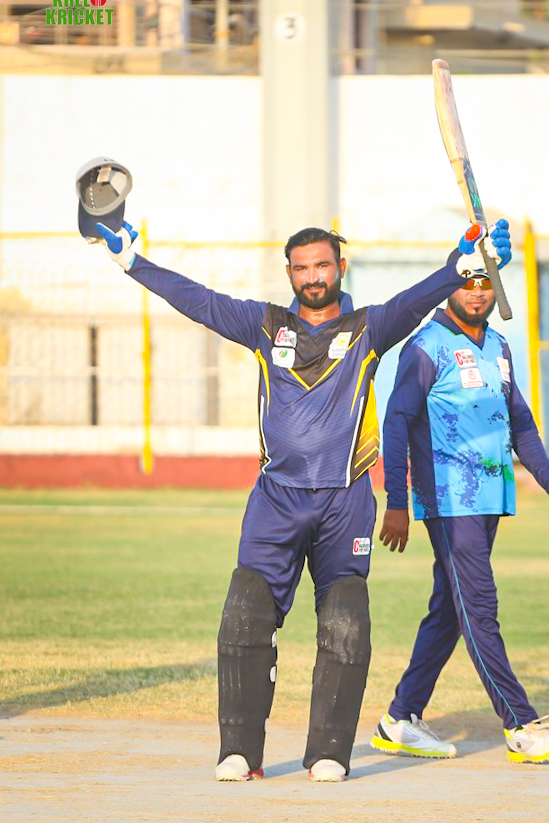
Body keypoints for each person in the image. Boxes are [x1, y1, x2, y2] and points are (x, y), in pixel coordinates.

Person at [95, 217, 513, 782]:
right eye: (301, 268)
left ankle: (328, 754)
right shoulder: (265, 325)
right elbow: (198, 301)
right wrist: (133, 263)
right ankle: (239, 753)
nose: (313, 277)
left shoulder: (370, 328)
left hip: (346, 500)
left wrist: (459, 267)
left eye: (322, 265)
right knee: (245, 613)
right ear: (289, 273)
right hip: (277, 499)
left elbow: (415, 300)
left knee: (345, 619)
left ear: (341, 268)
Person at [371, 247, 549, 765]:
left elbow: (519, 421)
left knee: (449, 609)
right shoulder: (426, 346)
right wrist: (396, 500)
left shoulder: (500, 347)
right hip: (448, 500)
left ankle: (400, 718)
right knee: (480, 608)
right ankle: (521, 725)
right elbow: (396, 422)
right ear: (450, 285)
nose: (478, 292)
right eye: (468, 282)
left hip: (491, 497)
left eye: (486, 283)